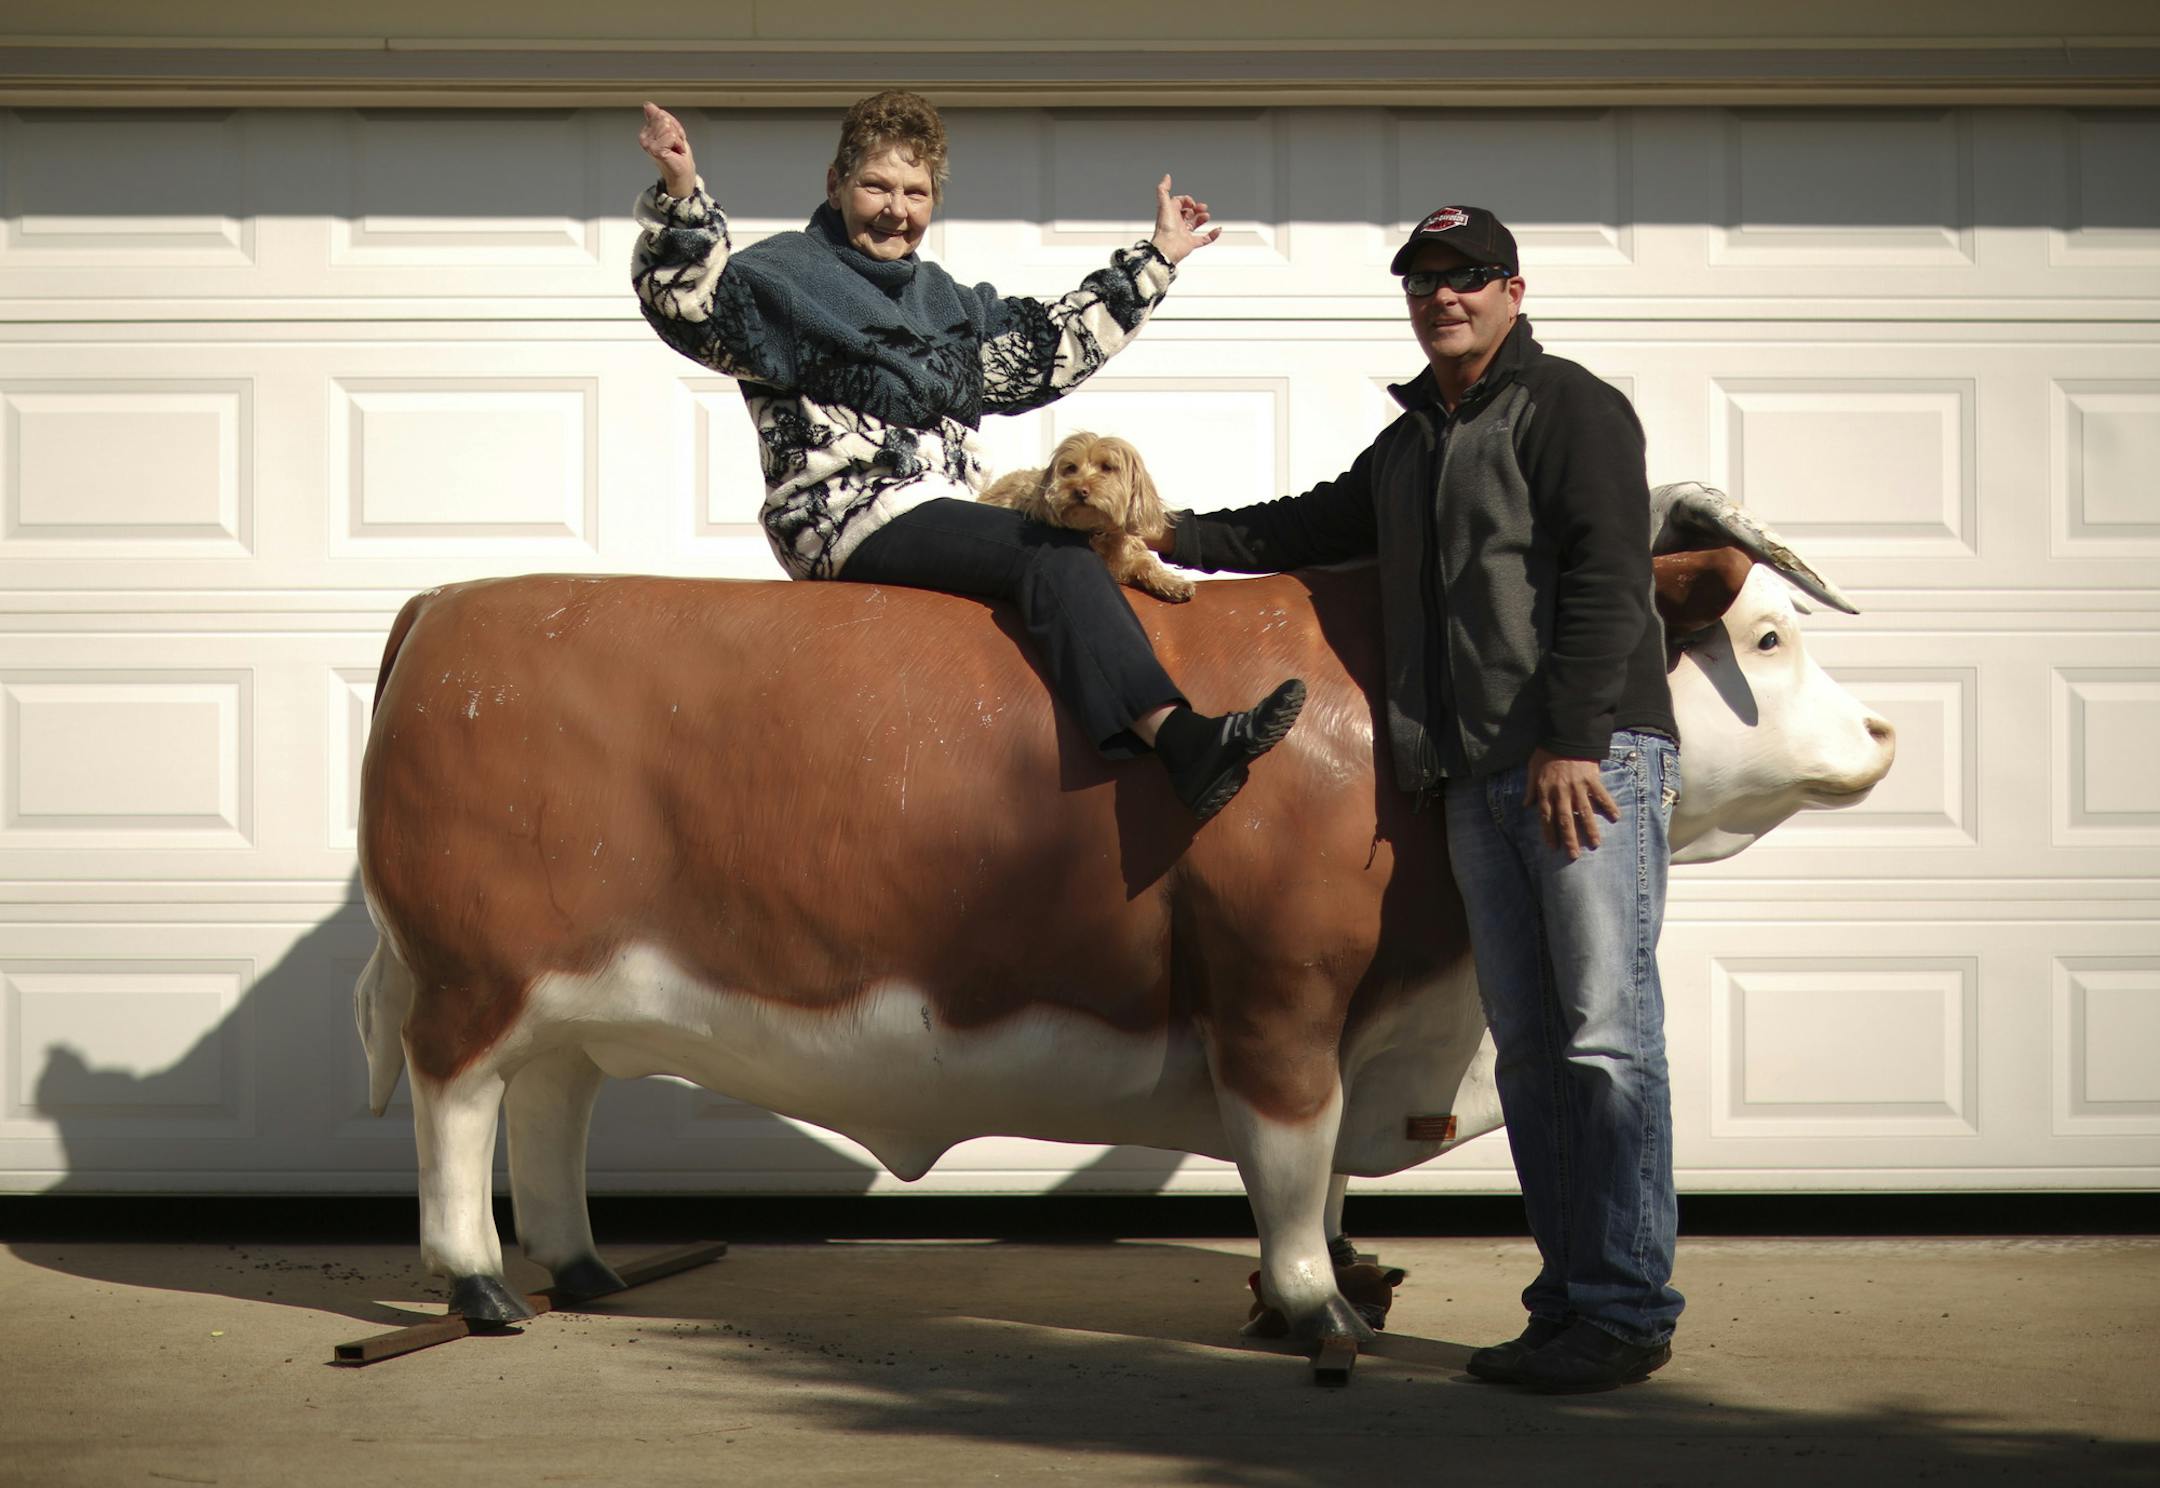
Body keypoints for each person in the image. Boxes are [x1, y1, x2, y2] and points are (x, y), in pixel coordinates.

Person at [1157, 205, 1683, 1393]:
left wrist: (1572, 740)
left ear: (1513, 288)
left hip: (1584, 768)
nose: (1443, 296)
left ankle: (1627, 1307)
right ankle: (1571, 1303)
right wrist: (1155, 534)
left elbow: (1607, 579)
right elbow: (1295, 527)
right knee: (1538, 1054)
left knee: (1606, 1037)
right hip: (1478, 777)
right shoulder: (1412, 447)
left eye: (1467, 277)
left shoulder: (1572, 409)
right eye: (1424, 280)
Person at [630, 92, 1303, 822]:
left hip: (944, 505)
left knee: (1069, 536)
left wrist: (1158, 258)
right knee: (1051, 553)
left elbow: (1045, 348)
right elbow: (691, 306)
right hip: (848, 511)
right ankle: (1181, 740)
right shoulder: (780, 279)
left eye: (915, 193)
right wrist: (679, 193)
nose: (896, 209)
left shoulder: (946, 301)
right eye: (876, 187)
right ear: (835, 183)